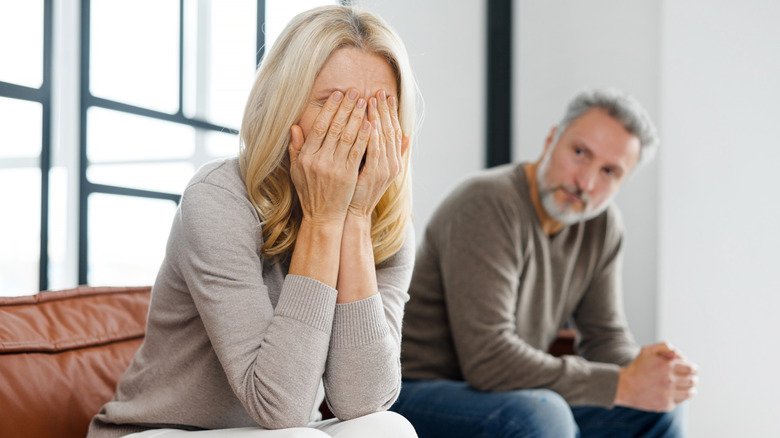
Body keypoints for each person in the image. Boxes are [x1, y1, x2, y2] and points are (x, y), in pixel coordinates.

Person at [88, 5, 420, 438]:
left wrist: (354, 218)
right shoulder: (218, 197)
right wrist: (322, 220)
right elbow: (279, 406)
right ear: (285, 108)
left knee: (387, 427)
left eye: (379, 108)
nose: (356, 128)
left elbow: (363, 402)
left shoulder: (388, 224)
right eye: (333, 103)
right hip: (160, 430)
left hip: (281, 432)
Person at [390, 89, 699, 437]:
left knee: (658, 409)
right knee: (543, 414)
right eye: (580, 153)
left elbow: (604, 337)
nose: (586, 182)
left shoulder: (601, 225)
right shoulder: (486, 203)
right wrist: (622, 384)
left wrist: (651, 375)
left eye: (609, 172)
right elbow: (489, 360)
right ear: (552, 139)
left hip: (507, 394)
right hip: (419, 391)